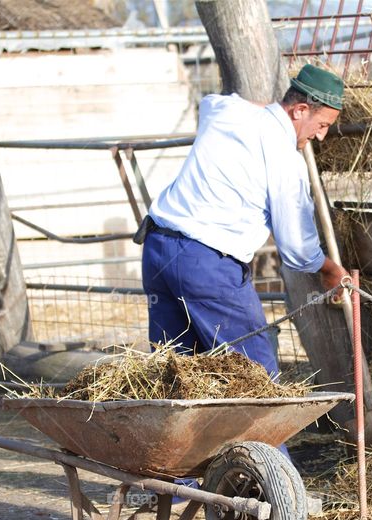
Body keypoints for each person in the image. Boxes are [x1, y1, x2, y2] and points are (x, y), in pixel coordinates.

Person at [137, 64, 348, 380]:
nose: (321, 135)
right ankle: (258, 432)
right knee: (254, 378)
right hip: (207, 265)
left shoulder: (228, 111)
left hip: (157, 250)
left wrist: (276, 112)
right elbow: (297, 249)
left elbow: (211, 100)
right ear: (300, 109)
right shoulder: (287, 162)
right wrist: (331, 270)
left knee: (176, 375)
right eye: (321, 124)